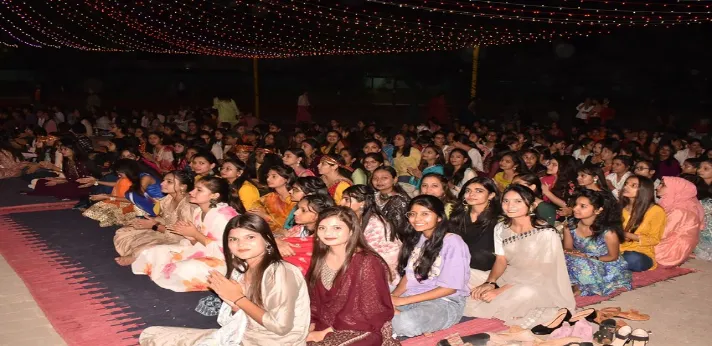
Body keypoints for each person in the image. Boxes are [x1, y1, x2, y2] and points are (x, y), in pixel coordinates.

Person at [139, 214, 310, 345]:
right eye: (233, 239)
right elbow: (235, 317)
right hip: (241, 335)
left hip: (272, 343)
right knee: (151, 335)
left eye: (250, 237)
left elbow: (281, 327)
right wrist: (234, 304)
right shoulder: (241, 269)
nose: (241, 244)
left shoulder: (281, 272)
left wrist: (238, 298)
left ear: (267, 240)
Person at [464, 185, 575, 328]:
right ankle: (493, 300)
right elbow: (501, 260)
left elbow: (542, 273)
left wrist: (499, 291)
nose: (510, 206)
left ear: (531, 205)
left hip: (536, 284)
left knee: (525, 293)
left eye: (518, 201)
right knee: (465, 274)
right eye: (506, 201)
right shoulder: (501, 227)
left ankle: (491, 303)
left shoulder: (546, 233)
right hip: (508, 277)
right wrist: (490, 283)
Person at [306, 206, 396, 345]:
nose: (328, 232)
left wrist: (325, 333)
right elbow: (313, 299)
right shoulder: (320, 258)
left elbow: (370, 312)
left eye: (337, 228)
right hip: (325, 322)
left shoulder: (367, 262)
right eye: (322, 228)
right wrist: (311, 323)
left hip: (362, 327)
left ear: (352, 231)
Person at [131, 176, 240, 292]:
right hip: (202, 250)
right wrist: (191, 237)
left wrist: (195, 234)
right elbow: (196, 242)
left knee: (184, 268)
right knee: (157, 251)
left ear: (214, 195)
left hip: (224, 261)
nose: (192, 192)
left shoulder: (224, 217)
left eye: (199, 190)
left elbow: (226, 251)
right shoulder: (198, 211)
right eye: (194, 188)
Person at [390, 195, 470, 337]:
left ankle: (396, 316)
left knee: (407, 323)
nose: (417, 219)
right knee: (367, 292)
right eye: (412, 214)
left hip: (443, 302)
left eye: (425, 214)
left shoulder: (453, 242)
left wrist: (402, 301)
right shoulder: (418, 238)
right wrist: (393, 297)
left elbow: (449, 288)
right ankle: (396, 314)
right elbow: (409, 277)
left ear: (439, 217)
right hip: (412, 295)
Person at [113, 171, 196, 266]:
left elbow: (184, 235)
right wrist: (149, 223)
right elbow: (165, 217)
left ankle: (136, 257)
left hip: (180, 238)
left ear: (183, 187)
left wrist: (154, 226)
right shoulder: (168, 198)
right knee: (124, 232)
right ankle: (135, 254)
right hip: (164, 228)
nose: (162, 183)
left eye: (169, 182)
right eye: (163, 180)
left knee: (148, 248)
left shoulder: (187, 206)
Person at [563, 189, 632, 296]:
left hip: (604, 263)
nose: (575, 208)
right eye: (576, 204)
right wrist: (573, 253)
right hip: (579, 258)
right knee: (558, 257)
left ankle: (579, 286)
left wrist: (589, 257)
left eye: (583, 206)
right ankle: (575, 283)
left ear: (598, 210)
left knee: (579, 263)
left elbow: (613, 257)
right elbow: (567, 248)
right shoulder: (570, 225)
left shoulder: (608, 232)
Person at [340, 185, 402, 279]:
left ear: (362, 203)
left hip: (383, 271)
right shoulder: (354, 218)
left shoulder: (375, 224)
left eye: (347, 199)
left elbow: (364, 254)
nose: (341, 203)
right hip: (367, 264)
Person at [449, 177, 501, 272]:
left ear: (491, 195)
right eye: (468, 190)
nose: (471, 194)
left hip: (482, 270)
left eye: (479, 191)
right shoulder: (458, 214)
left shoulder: (498, 220)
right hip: (453, 264)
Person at [278, 195, 335, 275]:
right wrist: (277, 242)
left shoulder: (325, 239)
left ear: (318, 216)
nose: (295, 212)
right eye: (298, 208)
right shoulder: (297, 230)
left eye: (303, 210)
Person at [619, 175, 666, 272]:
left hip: (640, 252)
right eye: (626, 184)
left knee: (633, 258)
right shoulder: (620, 207)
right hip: (617, 248)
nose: (626, 187)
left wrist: (628, 235)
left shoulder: (655, 211)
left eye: (633, 185)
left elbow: (654, 239)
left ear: (644, 190)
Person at [654, 176, 704, 267]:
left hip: (673, 248)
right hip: (672, 241)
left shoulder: (679, 210)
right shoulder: (674, 203)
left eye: (663, 185)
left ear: (675, 189)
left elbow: (662, 233)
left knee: (634, 247)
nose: (657, 187)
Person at [30, 140, 100, 200]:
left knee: (63, 189)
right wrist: (57, 181)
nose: (62, 151)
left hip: (84, 186)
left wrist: (59, 181)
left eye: (65, 149)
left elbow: (93, 177)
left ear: (73, 149)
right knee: (41, 182)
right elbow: (70, 178)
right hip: (72, 183)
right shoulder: (67, 161)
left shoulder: (83, 161)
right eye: (62, 149)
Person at [249, 164, 297, 234]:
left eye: (274, 176)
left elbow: (289, 226)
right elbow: (251, 212)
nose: (268, 179)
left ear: (287, 179)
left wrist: (266, 217)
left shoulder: (295, 199)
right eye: (268, 176)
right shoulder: (268, 198)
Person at [372, 166, 410, 240]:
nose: (379, 181)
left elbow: (400, 231)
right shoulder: (374, 195)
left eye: (384, 178)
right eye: (375, 178)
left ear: (395, 179)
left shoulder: (398, 201)